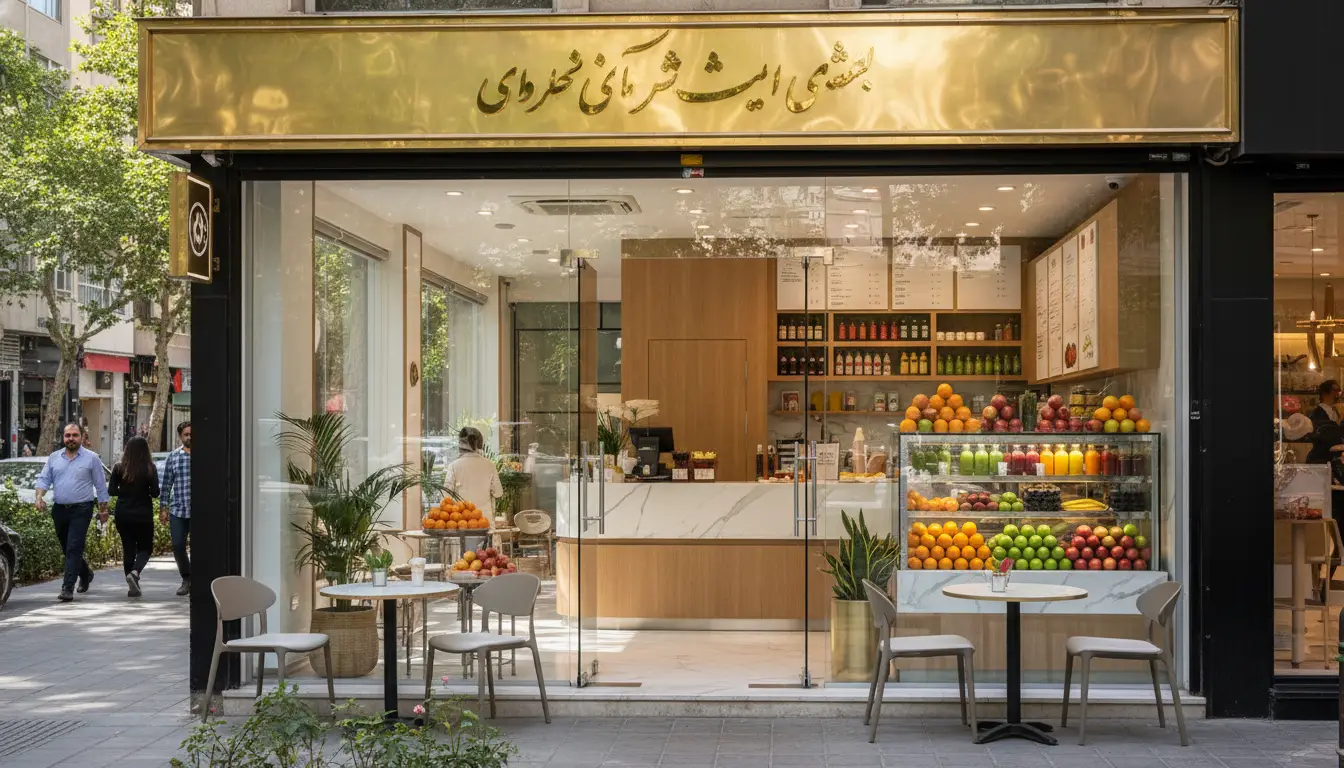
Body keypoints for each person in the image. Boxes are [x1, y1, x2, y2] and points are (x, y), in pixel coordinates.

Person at [35, 423, 110, 602]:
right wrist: (39, 497)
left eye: (75, 435)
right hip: (59, 509)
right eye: (67, 435)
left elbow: (100, 486)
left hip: (82, 509)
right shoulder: (54, 458)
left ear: (82, 437)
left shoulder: (91, 458)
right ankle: (85, 573)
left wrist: (103, 510)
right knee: (67, 548)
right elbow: (44, 479)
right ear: (63, 437)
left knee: (74, 547)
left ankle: (67, 587)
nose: (71, 439)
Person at [110, 436, 160, 598]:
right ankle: (135, 572)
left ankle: (132, 584)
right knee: (145, 548)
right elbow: (155, 493)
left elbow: (112, 491)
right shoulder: (150, 468)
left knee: (128, 548)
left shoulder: (119, 468)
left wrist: (125, 491)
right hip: (143, 514)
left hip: (123, 513)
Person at [444, 427, 502, 552]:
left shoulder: (454, 466)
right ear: (479, 444)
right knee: (485, 559)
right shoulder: (489, 465)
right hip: (484, 523)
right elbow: (498, 492)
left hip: (461, 523)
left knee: (463, 559)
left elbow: (446, 495)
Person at [160, 421, 192, 597]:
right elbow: (166, 485)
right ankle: (186, 578)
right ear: (180, 436)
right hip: (178, 509)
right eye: (186, 434)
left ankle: (199, 579)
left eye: (191, 434)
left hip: (199, 511)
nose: (189, 437)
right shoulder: (173, 457)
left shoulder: (204, 456)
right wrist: (163, 508)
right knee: (178, 545)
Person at [1307, 380, 1344, 464]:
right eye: (1335, 390)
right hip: (1321, 459)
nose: (1338, 393)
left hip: (1335, 460)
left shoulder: (1336, 410)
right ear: (1324, 393)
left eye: (1339, 390)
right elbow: (1326, 435)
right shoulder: (1317, 413)